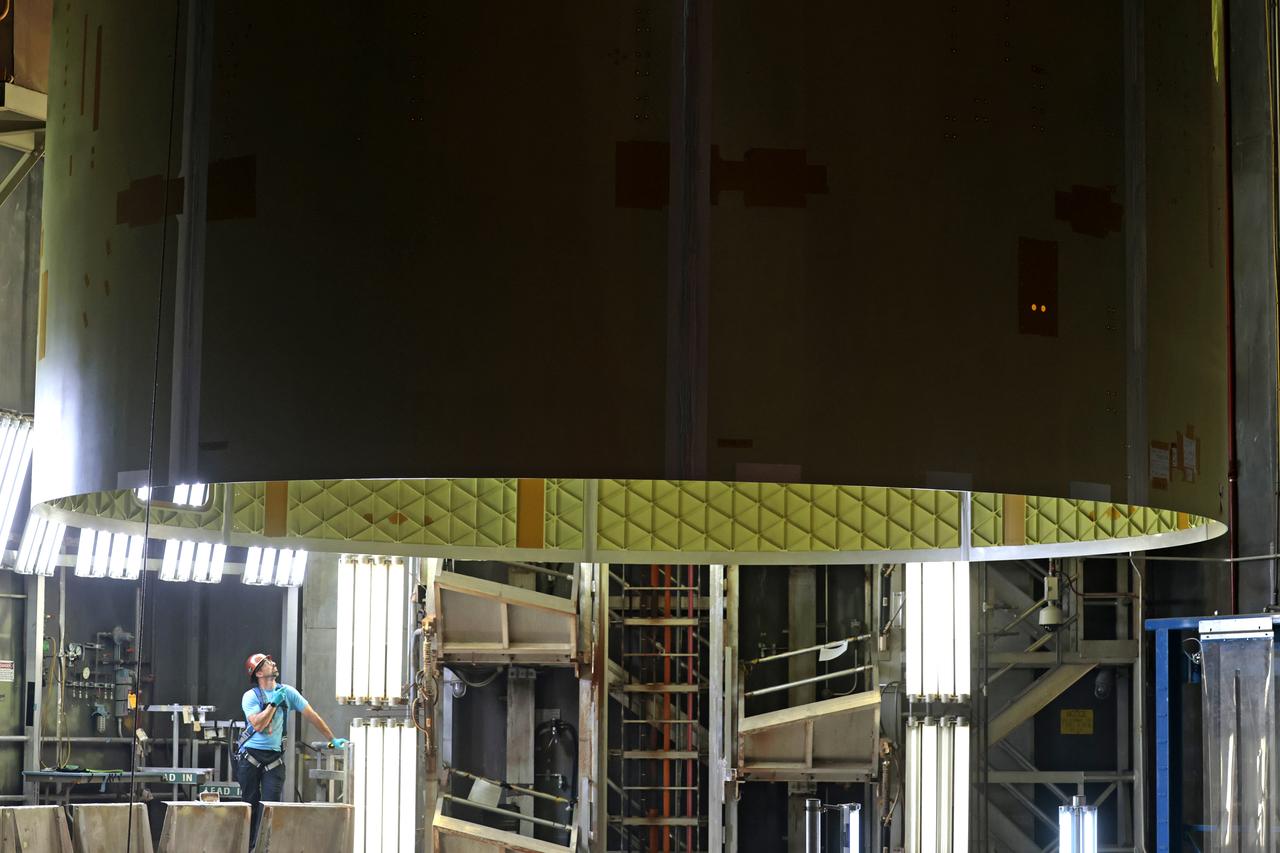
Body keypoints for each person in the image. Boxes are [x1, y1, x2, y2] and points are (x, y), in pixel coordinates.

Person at [238, 652, 347, 850]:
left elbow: (312, 715)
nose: (273, 663)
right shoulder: (250, 697)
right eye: (268, 663)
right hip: (250, 758)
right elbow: (259, 724)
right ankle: (248, 848)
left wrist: (332, 740)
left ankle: (266, 849)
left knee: (270, 808)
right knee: (250, 806)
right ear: (259, 672)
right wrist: (273, 704)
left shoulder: (288, 692)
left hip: (274, 761)